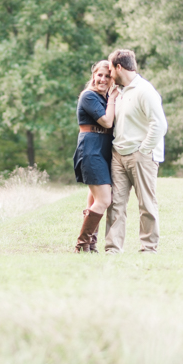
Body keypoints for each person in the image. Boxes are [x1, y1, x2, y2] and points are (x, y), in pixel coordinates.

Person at [105, 49, 167, 254]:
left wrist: (145, 149)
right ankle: (112, 249)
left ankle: (148, 248)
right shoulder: (119, 92)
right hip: (118, 156)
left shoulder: (145, 91)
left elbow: (159, 124)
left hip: (141, 156)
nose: (109, 73)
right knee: (115, 205)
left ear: (119, 67)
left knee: (146, 204)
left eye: (110, 68)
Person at [72, 60, 118, 253]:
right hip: (91, 151)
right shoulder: (89, 96)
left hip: (104, 151)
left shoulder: (104, 98)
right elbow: (107, 122)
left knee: (94, 200)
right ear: (93, 75)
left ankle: (90, 245)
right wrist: (114, 98)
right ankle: (81, 245)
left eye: (108, 76)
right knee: (104, 200)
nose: (103, 79)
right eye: (100, 75)